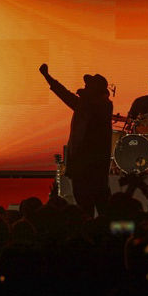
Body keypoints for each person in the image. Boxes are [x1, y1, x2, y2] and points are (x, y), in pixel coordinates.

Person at [40, 63, 112, 217]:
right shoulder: (84, 104)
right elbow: (64, 94)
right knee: (86, 206)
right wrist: (48, 77)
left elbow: (89, 106)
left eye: (88, 85)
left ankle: (99, 228)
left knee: (99, 206)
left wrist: (84, 96)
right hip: (82, 164)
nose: (84, 86)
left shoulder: (103, 105)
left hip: (94, 166)